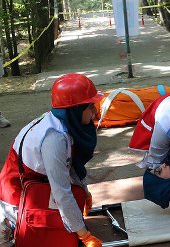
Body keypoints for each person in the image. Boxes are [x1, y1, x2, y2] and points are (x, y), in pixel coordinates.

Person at [0, 73, 103, 246]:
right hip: (18, 201)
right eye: (91, 107)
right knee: (60, 239)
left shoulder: (62, 122)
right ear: (75, 110)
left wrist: (84, 192)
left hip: (38, 185)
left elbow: (69, 167)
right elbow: (61, 192)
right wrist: (84, 235)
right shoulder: (54, 139)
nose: (95, 112)